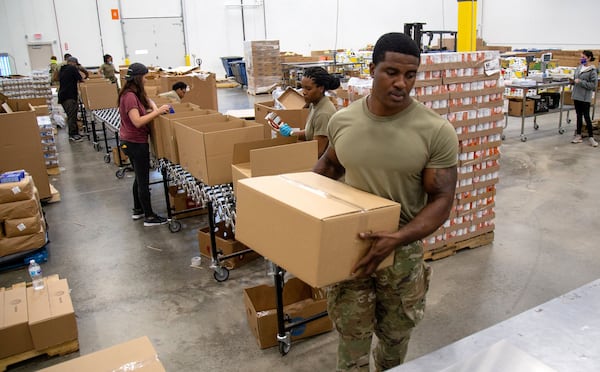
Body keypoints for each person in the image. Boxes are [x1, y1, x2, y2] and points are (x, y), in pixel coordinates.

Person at [312, 32, 458, 371]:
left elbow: (442, 198)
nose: (401, 84)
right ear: (372, 69)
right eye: (391, 72)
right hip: (349, 246)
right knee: (352, 336)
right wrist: (302, 208)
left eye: (410, 75)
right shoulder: (343, 120)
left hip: (402, 251)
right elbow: (329, 165)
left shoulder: (435, 131)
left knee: (395, 336)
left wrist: (398, 238)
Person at [118, 62, 172, 226]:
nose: (146, 81)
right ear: (138, 78)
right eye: (144, 77)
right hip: (135, 143)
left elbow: (148, 102)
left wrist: (156, 108)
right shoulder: (129, 98)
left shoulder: (133, 94)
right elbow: (137, 121)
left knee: (139, 177)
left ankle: (138, 210)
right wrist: (156, 112)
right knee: (143, 180)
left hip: (131, 141)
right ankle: (149, 216)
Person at [277, 66, 340, 157]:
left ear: (321, 88)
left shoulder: (323, 113)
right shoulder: (314, 104)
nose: (304, 92)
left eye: (308, 89)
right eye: (302, 88)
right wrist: (291, 133)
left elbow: (317, 152)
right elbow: (310, 133)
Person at [570, 50, 598, 147]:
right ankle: (578, 135)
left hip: (585, 97)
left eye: (584, 57)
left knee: (586, 116)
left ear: (589, 58)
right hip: (576, 95)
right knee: (578, 116)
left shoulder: (592, 70)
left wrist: (581, 82)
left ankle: (591, 137)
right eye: (581, 57)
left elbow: (593, 85)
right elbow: (575, 78)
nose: (582, 59)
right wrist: (573, 81)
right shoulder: (578, 68)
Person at [57, 56, 83, 142]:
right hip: (69, 97)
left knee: (71, 115)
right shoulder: (72, 68)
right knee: (72, 116)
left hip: (63, 96)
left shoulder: (62, 69)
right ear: (74, 63)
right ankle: (73, 135)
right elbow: (81, 79)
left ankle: (75, 133)